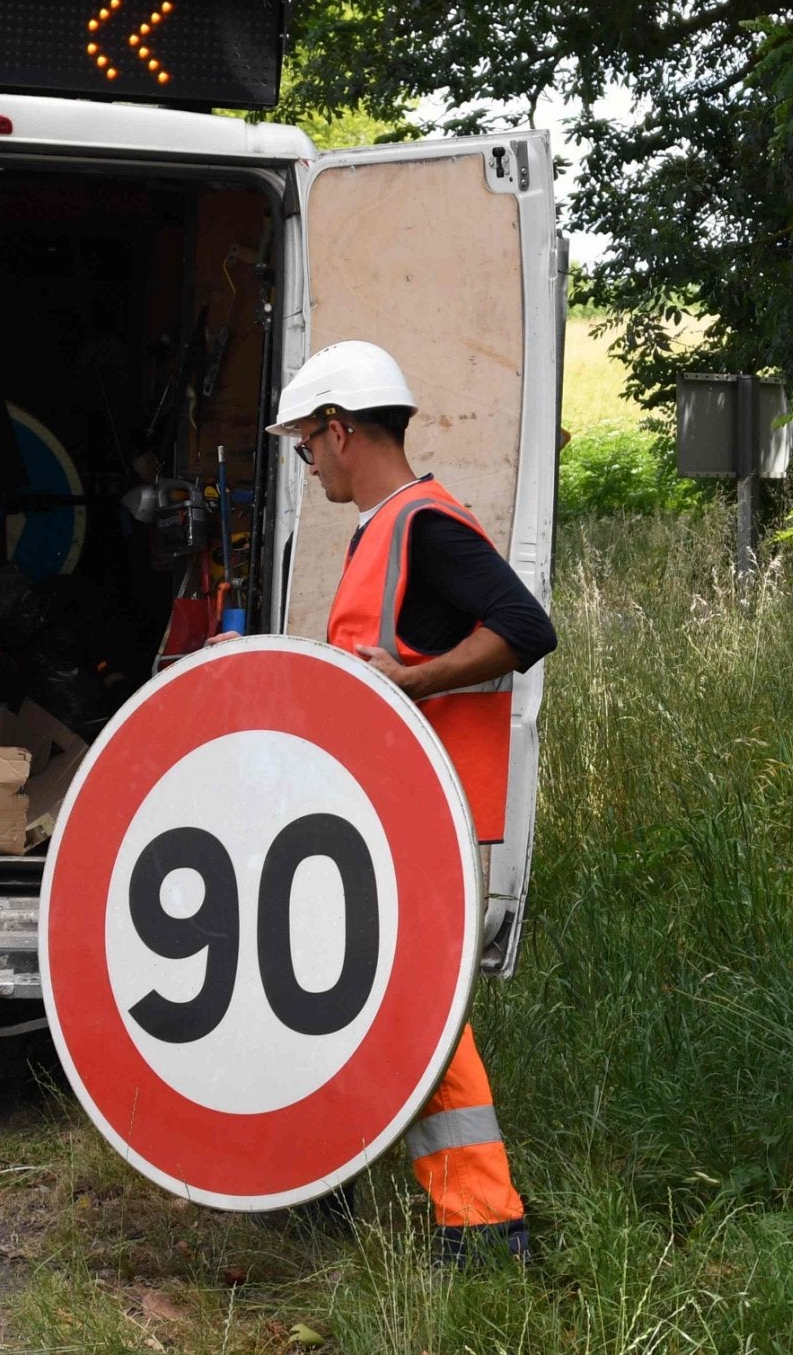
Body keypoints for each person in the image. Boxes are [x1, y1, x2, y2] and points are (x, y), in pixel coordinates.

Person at [263, 340, 555, 1265]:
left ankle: (483, 1220)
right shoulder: (384, 529)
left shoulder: (425, 525)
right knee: (343, 999)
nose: (307, 467)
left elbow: (525, 627)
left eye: (307, 447)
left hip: (422, 821)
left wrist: (413, 683)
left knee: (412, 1012)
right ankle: (324, 1181)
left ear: (340, 430)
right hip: (377, 818)